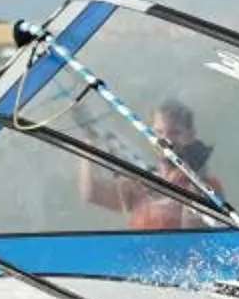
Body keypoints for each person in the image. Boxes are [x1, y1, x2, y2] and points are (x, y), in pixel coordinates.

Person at [77, 98, 222, 231]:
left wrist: (190, 194)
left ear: (191, 135)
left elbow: (196, 237)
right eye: (159, 132)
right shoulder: (141, 184)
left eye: (175, 133)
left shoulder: (206, 185)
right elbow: (93, 193)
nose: (167, 140)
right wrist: (90, 140)